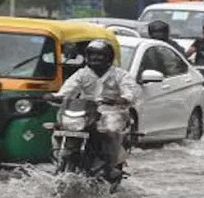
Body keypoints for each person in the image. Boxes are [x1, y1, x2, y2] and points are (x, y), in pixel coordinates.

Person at [44, 39, 139, 181]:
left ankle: (110, 164)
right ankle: (60, 157)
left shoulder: (120, 75)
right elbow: (68, 91)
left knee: (112, 129)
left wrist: (120, 99)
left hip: (111, 112)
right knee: (58, 127)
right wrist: (54, 97)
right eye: (92, 54)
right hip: (86, 112)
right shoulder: (81, 74)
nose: (96, 58)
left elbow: (130, 92)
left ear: (109, 57)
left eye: (100, 55)